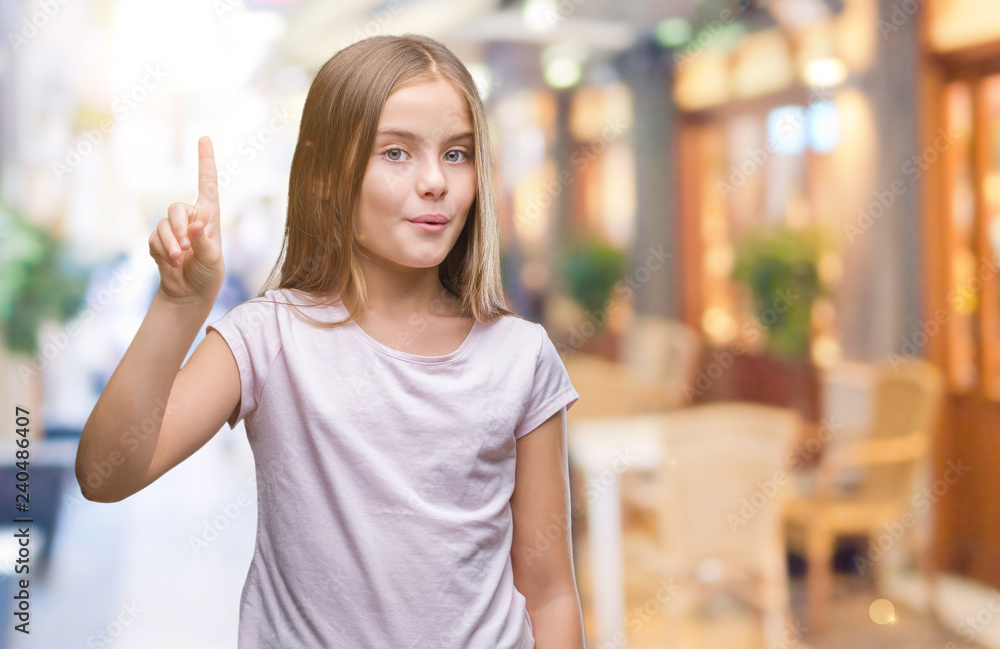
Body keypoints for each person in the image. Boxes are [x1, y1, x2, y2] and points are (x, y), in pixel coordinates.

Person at [75, 34, 584, 649]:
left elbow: (550, 593)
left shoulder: (521, 356)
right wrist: (181, 304)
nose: (435, 182)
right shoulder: (269, 337)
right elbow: (104, 474)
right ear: (324, 177)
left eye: (457, 154)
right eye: (396, 153)